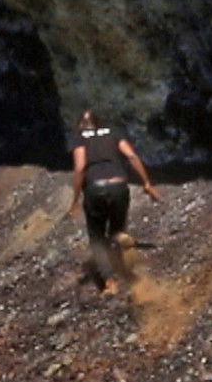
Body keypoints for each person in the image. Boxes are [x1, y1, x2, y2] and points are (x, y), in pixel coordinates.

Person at [68, 109, 159, 294]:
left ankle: (110, 281)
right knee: (116, 229)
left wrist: (75, 199)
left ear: (81, 125)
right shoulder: (113, 131)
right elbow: (132, 156)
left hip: (96, 189)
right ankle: (120, 239)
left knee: (97, 239)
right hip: (119, 186)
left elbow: (80, 167)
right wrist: (147, 182)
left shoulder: (79, 137)